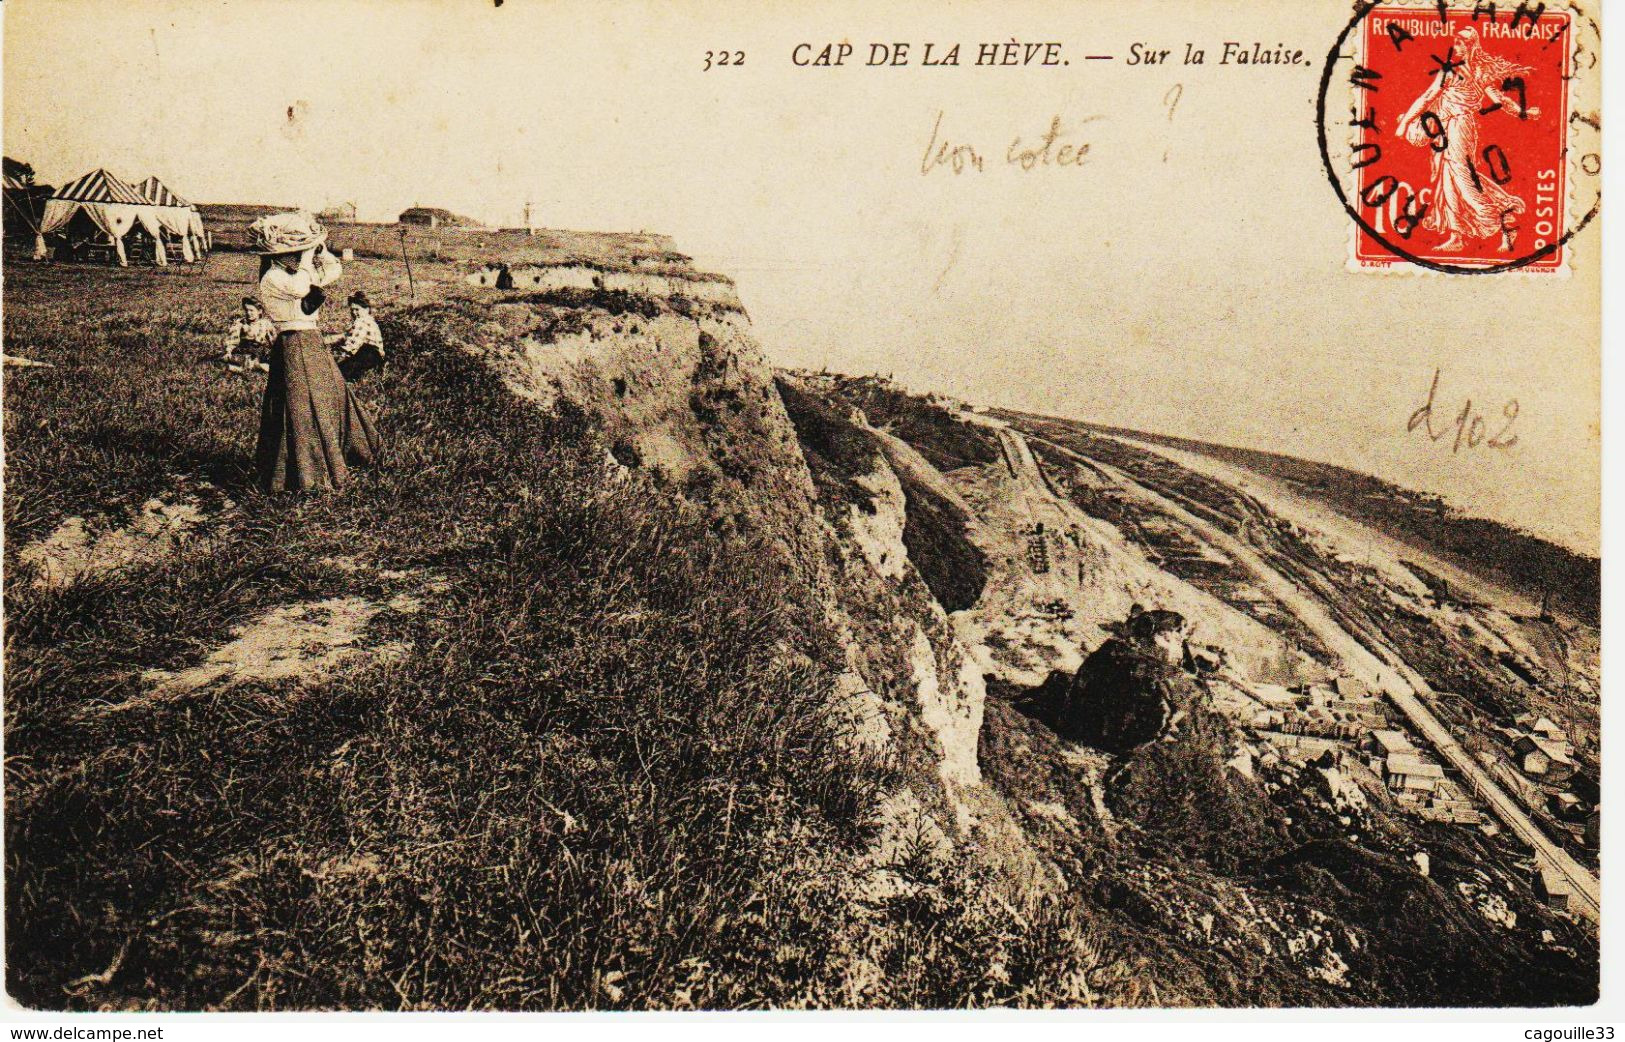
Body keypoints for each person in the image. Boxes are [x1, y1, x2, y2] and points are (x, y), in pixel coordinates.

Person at [248, 211, 381, 492]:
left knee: (330, 396)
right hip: (293, 344)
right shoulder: (273, 277)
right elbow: (300, 289)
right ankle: (303, 471)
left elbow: (334, 271)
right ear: (277, 254)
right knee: (299, 406)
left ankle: (340, 455)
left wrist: (320, 250)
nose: (298, 258)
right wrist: (308, 258)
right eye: (293, 253)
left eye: (300, 252)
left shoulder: (295, 272)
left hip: (311, 343)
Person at [1395, 26, 1539, 253]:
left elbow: (1427, 97)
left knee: (1462, 179)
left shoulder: (1458, 72)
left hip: (1458, 127)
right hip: (1452, 127)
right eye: (1456, 43)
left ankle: (1502, 220)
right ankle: (1457, 235)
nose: (1456, 47)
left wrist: (1405, 123)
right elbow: (1499, 100)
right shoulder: (1470, 72)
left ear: (1470, 46)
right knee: (1448, 179)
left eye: (1461, 44)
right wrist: (1523, 111)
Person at [327, 290, 386, 382]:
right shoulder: (370, 321)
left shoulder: (362, 322)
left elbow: (352, 346)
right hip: (375, 357)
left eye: (357, 309)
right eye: (352, 310)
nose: (354, 313)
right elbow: (347, 336)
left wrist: (339, 358)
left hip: (369, 355)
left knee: (339, 372)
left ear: (366, 309)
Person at [221, 297, 275, 373]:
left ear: (259, 311)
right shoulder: (241, 324)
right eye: (246, 310)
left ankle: (252, 366)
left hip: (260, 353)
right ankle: (242, 367)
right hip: (244, 353)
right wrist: (228, 351)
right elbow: (232, 340)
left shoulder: (266, 323)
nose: (248, 313)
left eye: (251, 310)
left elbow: (273, 341)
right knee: (242, 362)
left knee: (272, 363)